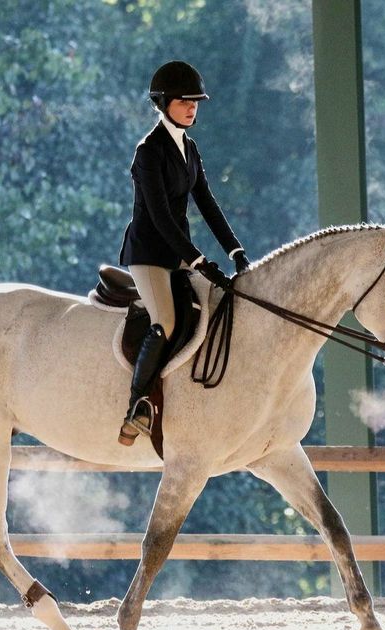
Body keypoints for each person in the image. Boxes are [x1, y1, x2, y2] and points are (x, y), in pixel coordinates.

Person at [117, 60, 250, 446]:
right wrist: (196, 260)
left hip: (177, 251)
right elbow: (159, 216)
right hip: (149, 252)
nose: (192, 108)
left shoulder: (189, 148)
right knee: (168, 322)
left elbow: (206, 203)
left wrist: (234, 249)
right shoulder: (149, 151)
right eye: (183, 101)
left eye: (196, 102)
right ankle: (136, 406)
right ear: (163, 103)